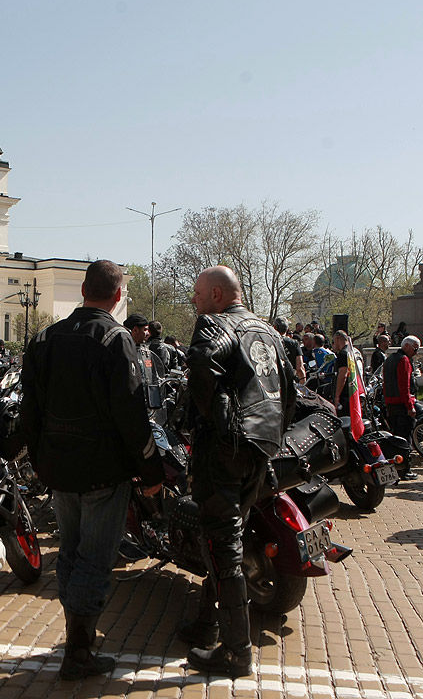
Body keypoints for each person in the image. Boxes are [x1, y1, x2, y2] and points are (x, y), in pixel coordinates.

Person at [16, 260, 163, 680]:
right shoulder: (116, 340)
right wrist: (151, 471)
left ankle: (77, 634)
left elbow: (29, 410)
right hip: (101, 471)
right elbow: (132, 417)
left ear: (83, 289)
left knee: (72, 553)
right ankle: (78, 650)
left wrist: (40, 459)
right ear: (118, 296)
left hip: (60, 468)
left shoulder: (45, 336)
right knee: (94, 560)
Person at [180, 265, 295, 677]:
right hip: (260, 449)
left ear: (215, 294)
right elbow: (290, 391)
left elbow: (200, 364)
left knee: (222, 545)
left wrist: (214, 421)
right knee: (224, 537)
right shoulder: (268, 331)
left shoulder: (214, 323)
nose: (193, 301)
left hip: (226, 450)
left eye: (196, 293)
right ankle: (206, 625)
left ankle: (236, 651)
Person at [383, 335, 420, 480]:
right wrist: (410, 407)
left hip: (391, 404)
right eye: (415, 349)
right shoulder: (403, 360)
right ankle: (404, 469)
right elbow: (404, 387)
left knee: (395, 437)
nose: (416, 352)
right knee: (405, 439)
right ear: (407, 346)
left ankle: (396, 469)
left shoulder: (389, 359)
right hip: (402, 405)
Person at [273, 317, 306, 383]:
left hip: (273, 382)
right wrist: (303, 386)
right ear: (287, 329)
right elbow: (300, 368)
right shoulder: (294, 343)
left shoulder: (269, 341)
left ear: (274, 327)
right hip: (289, 382)